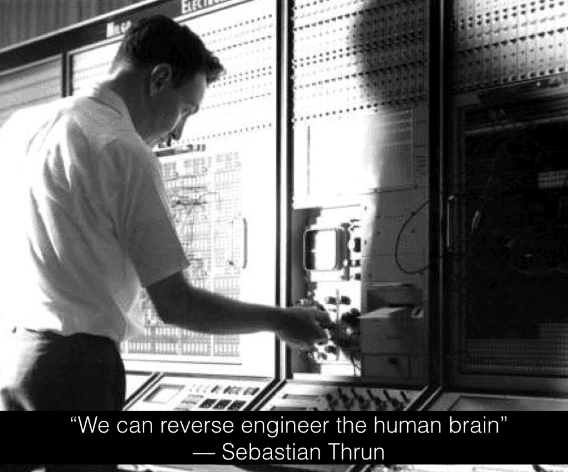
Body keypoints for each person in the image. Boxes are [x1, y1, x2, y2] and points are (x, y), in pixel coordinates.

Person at [0, 14, 329, 413]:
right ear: (159, 79)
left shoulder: (19, 127)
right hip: (77, 370)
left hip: (14, 362)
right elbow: (176, 305)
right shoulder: (123, 148)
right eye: (185, 110)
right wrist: (280, 320)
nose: (178, 133)